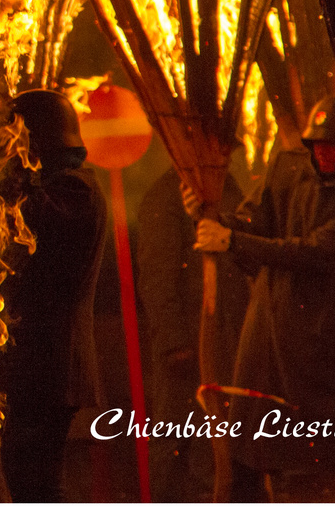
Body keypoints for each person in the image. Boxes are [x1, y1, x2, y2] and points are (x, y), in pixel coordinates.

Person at [191, 95, 335, 502]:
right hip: (268, 327)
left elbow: (312, 252)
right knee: (246, 442)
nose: (323, 154)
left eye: (332, 147)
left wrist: (233, 239)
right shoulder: (289, 169)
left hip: (323, 334)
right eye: (317, 146)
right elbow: (257, 219)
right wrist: (215, 219)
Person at [0, 89, 109, 502]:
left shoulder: (77, 190)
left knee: (39, 488)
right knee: (29, 484)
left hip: (51, 367)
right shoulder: (70, 186)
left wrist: (4, 168)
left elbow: (35, 218)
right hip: (42, 368)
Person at [137, 163, 247, 501]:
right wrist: (174, 343)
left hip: (225, 342)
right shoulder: (165, 196)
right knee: (179, 440)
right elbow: (158, 274)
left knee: (216, 442)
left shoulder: (226, 188)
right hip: (188, 346)